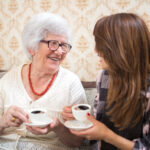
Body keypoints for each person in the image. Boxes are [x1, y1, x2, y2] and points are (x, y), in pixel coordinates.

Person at [0, 13, 88, 150]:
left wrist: (58, 127)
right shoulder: (7, 80)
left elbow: (78, 142)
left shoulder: (71, 84)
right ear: (32, 47)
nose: (59, 52)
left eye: (63, 45)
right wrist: (3, 122)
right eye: (53, 43)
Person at [63, 13, 150, 149]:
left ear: (121, 48)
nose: (96, 51)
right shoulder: (104, 76)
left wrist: (107, 136)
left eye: (101, 45)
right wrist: (79, 118)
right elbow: (98, 127)